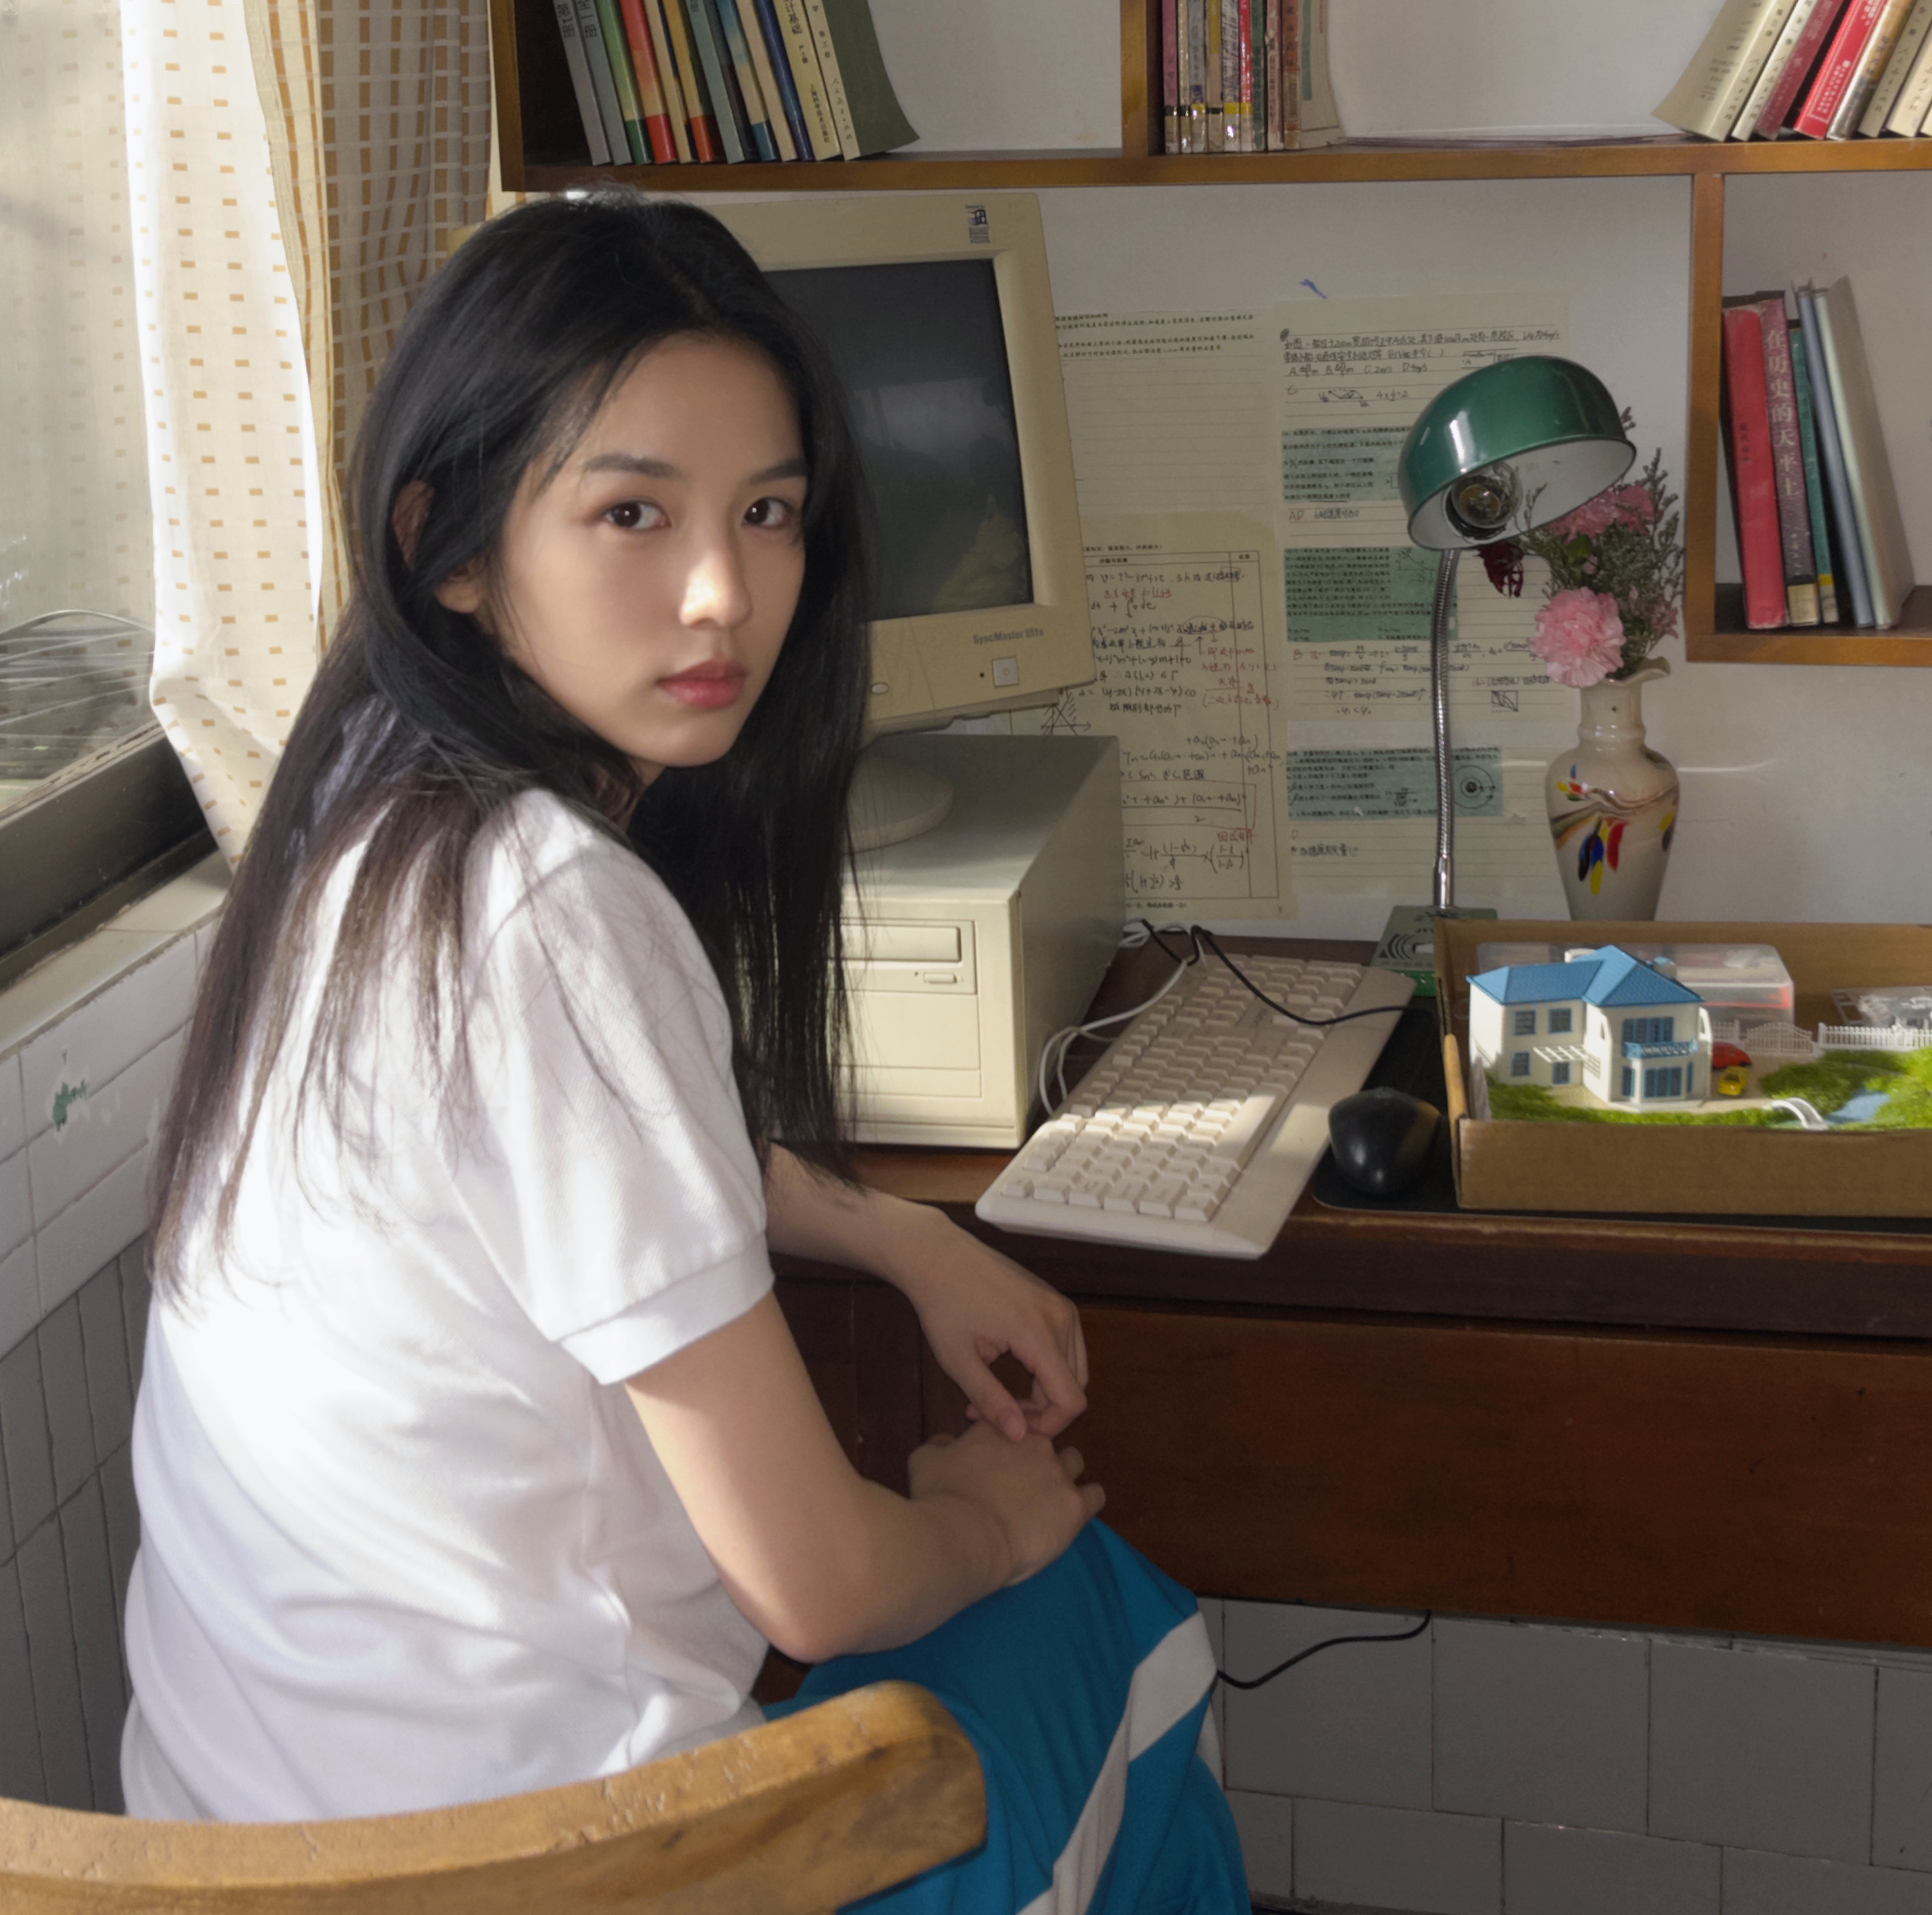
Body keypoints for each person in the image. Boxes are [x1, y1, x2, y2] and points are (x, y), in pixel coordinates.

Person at [122, 194, 1245, 1911]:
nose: (724, 594)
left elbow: (564, 1151)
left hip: (239, 1864)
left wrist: (891, 1230)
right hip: (550, 1883)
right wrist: (987, 1520)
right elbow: (821, 1588)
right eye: (631, 511)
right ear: (449, 546)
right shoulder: (552, 904)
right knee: (1110, 1614)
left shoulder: (355, 822)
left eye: (768, 512)